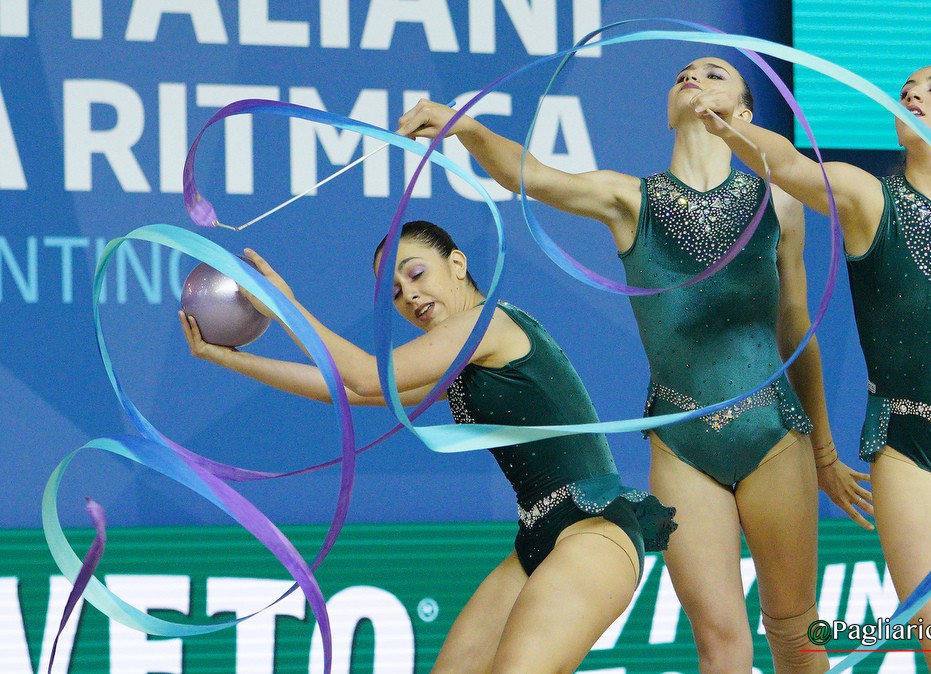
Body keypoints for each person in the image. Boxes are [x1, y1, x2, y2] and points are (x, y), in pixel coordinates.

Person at [397, 56, 873, 674]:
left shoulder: (779, 202)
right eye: (683, 74)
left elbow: (794, 326)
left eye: (715, 74)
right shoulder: (629, 200)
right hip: (682, 444)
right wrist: (467, 128)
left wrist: (825, 453)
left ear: (745, 112)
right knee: (720, 643)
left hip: (774, 432)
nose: (693, 77)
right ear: (668, 112)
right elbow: (530, 176)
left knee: (794, 628)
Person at [691, 64, 931, 673]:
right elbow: (789, 164)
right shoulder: (866, 198)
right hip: (910, 451)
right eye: (905, 92)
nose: (912, 96)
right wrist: (727, 127)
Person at [179, 219, 676, 674]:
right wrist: (229, 359)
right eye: (395, 293)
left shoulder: (486, 324)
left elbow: (367, 376)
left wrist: (285, 307)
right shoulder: (459, 356)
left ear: (457, 263)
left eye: (416, 273)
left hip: (592, 534)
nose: (409, 294)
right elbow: (350, 391)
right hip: (536, 540)